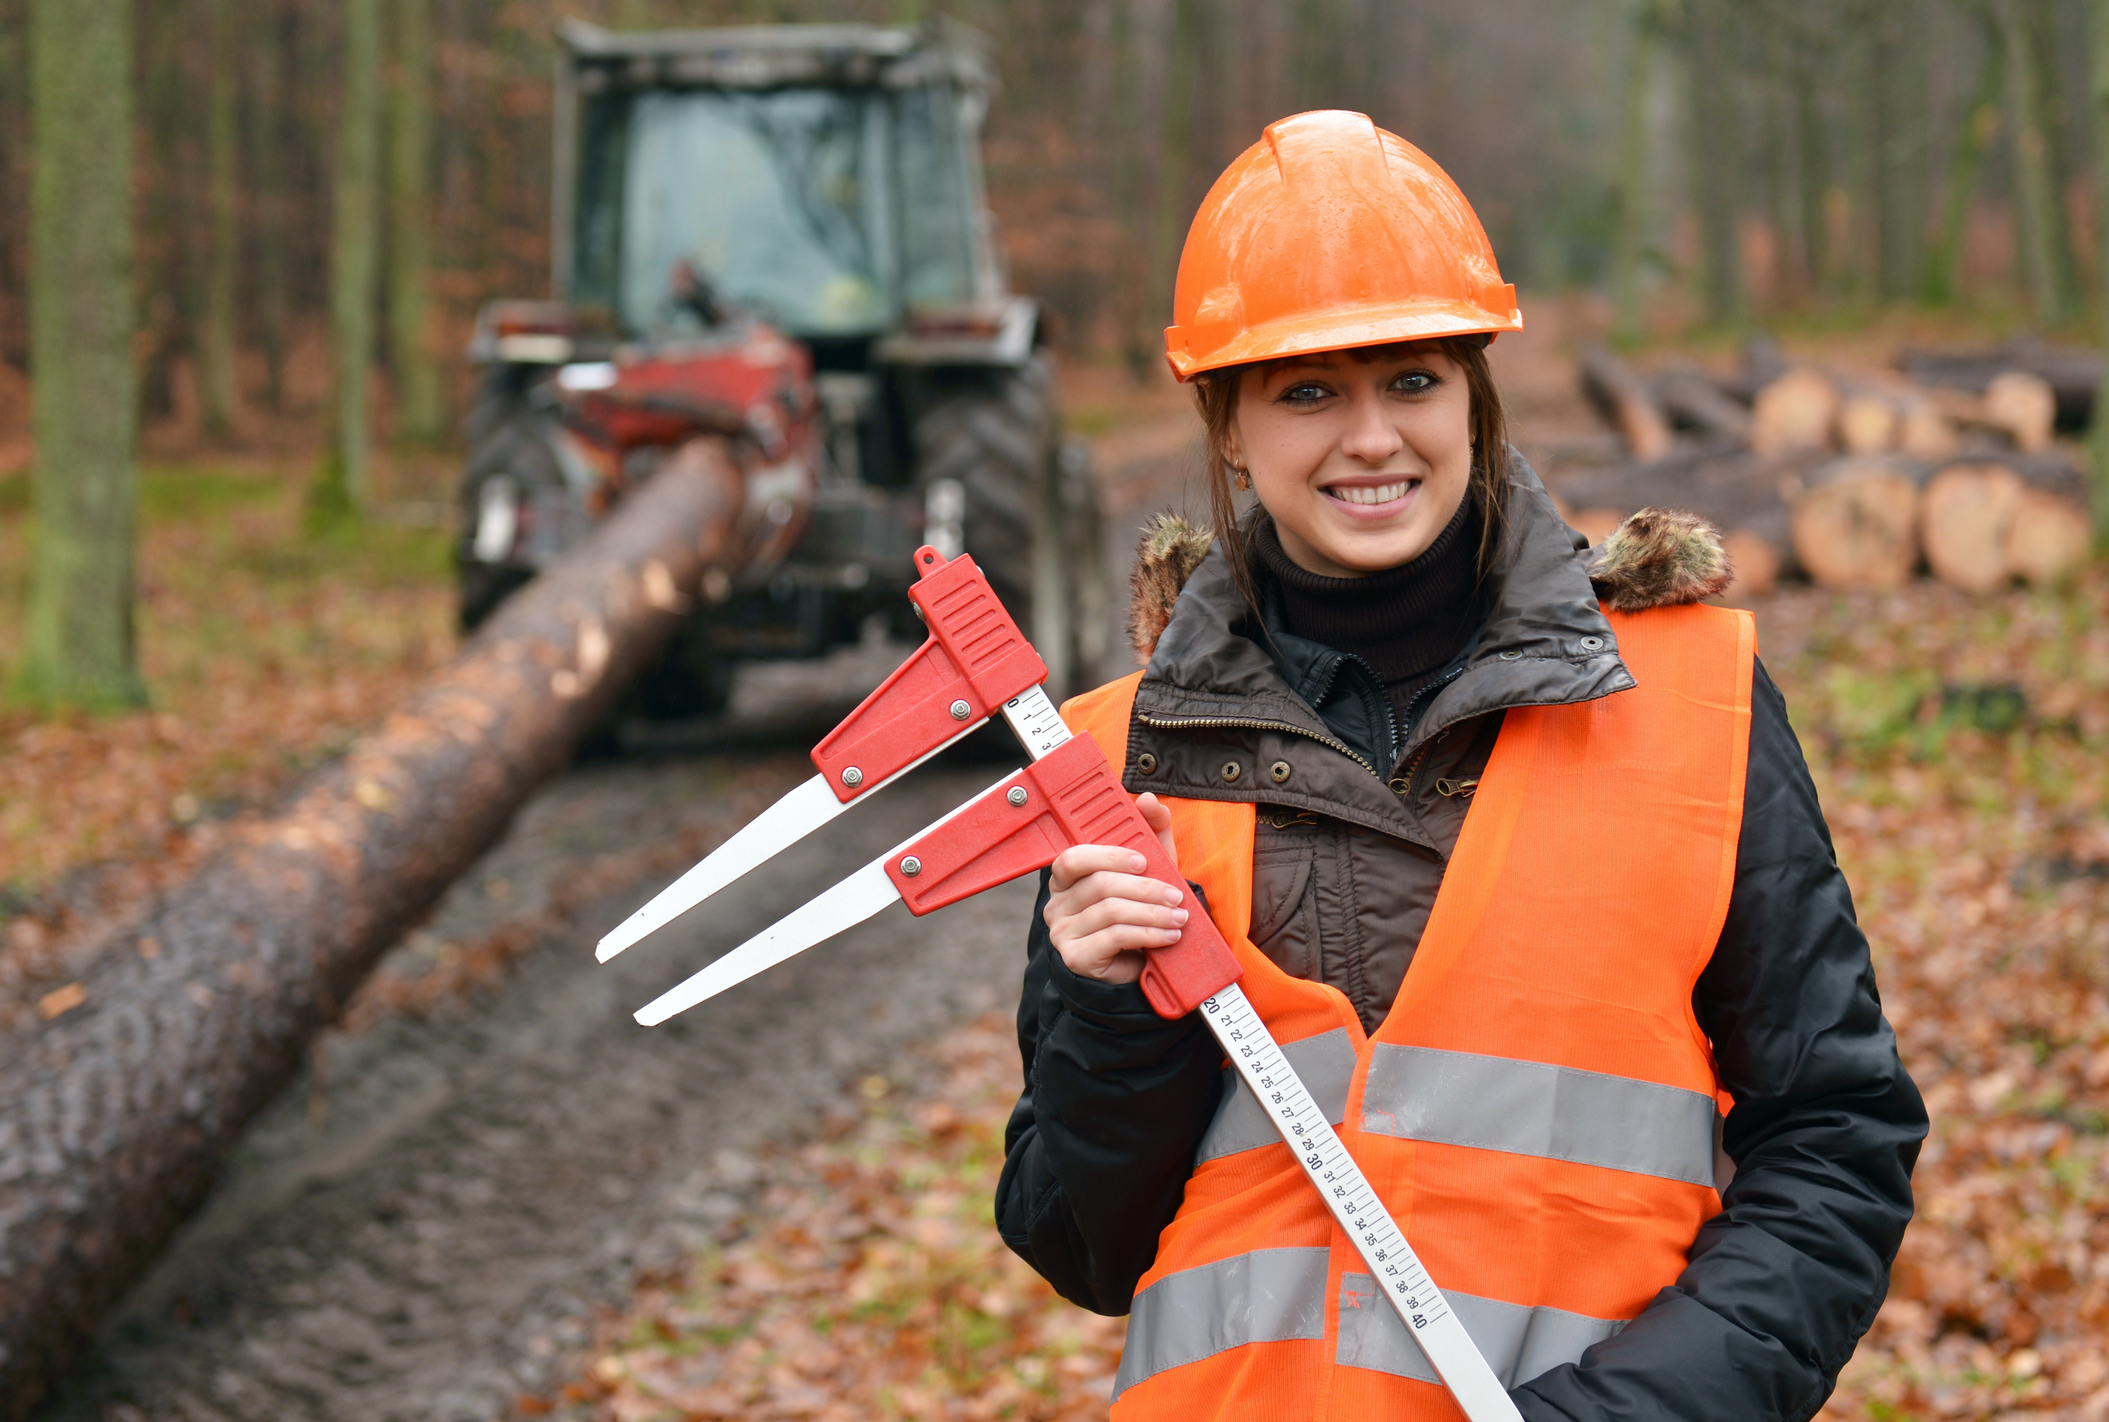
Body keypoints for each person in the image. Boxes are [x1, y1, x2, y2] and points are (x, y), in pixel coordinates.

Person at [994, 110, 1925, 1420]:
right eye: (1308, 389)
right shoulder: (1121, 764)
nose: (1371, 435)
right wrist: (1106, 1020)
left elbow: (1834, 1140)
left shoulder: (1689, 697)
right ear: (1226, 426)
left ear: (1475, 399)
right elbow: (1079, 1245)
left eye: (1414, 379)